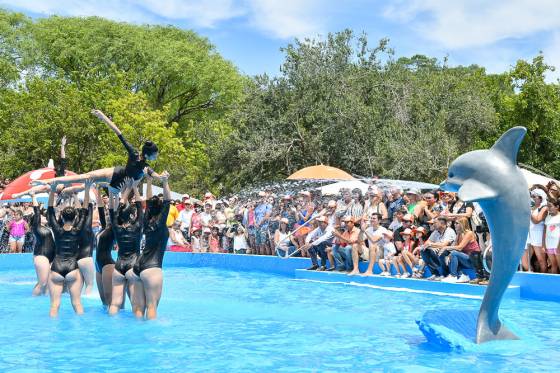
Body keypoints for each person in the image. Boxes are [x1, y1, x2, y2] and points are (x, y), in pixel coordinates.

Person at [34, 109, 159, 191]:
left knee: (86, 181)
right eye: (155, 155)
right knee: (83, 178)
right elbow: (118, 133)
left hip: (118, 179)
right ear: (148, 155)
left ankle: (46, 182)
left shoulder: (138, 158)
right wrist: (103, 117)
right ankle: (46, 181)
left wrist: (160, 176)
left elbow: (118, 133)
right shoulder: (140, 160)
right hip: (116, 176)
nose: (156, 157)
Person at [46, 179, 91, 317]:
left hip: (56, 269)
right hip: (72, 269)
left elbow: (50, 210)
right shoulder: (78, 229)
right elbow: (84, 211)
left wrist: (53, 190)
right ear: (75, 216)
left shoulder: (57, 229)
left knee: (54, 305)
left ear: (62, 217)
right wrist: (87, 189)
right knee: (77, 303)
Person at [133, 171, 171, 320]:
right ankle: (150, 342)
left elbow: (148, 201)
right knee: (152, 306)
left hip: (139, 266)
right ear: (161, 209)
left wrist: (148, 181)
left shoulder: (147, 221)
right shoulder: (160, 223)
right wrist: (165, 182)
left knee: (138, 308)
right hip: (152, 269)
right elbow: (168, 200)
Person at [108, 179, 144, 316]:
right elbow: (140, 207)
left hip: (119, 266)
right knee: (136, 305)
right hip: (133, 265)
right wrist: (134, 188)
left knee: (115, 303)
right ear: (132, 215)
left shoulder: (116, 227)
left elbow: (114, 211)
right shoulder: (137, 227)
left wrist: (125, 191)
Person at [30, 191, 55, 296]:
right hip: (41, 256)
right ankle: (32, 300)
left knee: (48, 282)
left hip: (51, 257)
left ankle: (44, 301)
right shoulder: (37, 227)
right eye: (42, 216)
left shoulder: (48, 228)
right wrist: (33, 196)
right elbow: (36, 212)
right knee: (43, 283)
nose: (44, 217)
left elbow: (51, 211)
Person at [441, 218, 480, 283]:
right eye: (455, 223)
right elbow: (455, 248)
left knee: (454, 253)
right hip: (466, 259)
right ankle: (462, 275)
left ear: (462, 224)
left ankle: (453, 276)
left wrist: (445, 247)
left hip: (474, 260)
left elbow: (459, 248)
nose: (455, 224)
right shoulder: (459, 234)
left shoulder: (469, 233)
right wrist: (449, 255)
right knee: (451, 255)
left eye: (457, 223)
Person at [95, 191, 116, 306]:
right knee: (103, 301)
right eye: (106, 215)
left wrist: (112, 192)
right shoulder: (103, 228)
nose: (107, 216)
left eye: (109, 216)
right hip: (98, 265)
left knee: (110, 299)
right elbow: (100, 209)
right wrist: (98, 190)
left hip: (107, 264)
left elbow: (112, 212)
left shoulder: (112, 230)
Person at [523, 188, 548, 272]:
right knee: (526, 263)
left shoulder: (544, 208)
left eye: (534, 196)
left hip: (539, 237)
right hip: (530, 237)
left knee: (541, 261)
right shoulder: (533, 208)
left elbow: (536, 220)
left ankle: (543, 280)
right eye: (531, 196)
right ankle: (533, 278)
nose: (531, 198)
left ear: (540, 198)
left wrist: (528, 210)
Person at [77, 191, 95, 295]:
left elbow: (81, 211)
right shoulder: (87, 228)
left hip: (78, 257)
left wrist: (75, 196)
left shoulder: (76, 227)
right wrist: (90, 202)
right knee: (89, 285)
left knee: (80, 284)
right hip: (86, 259)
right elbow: (90, 211)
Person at [543, 198, 560, 274]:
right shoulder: (548, 217)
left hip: (558, 245)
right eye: (547, 206)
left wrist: (559, 246)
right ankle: (554, 284)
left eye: (550, 206)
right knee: (553, 265)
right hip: (549, 244)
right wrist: (544, 244)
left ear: (557, 206)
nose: (548, 208)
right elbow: (545, 231)